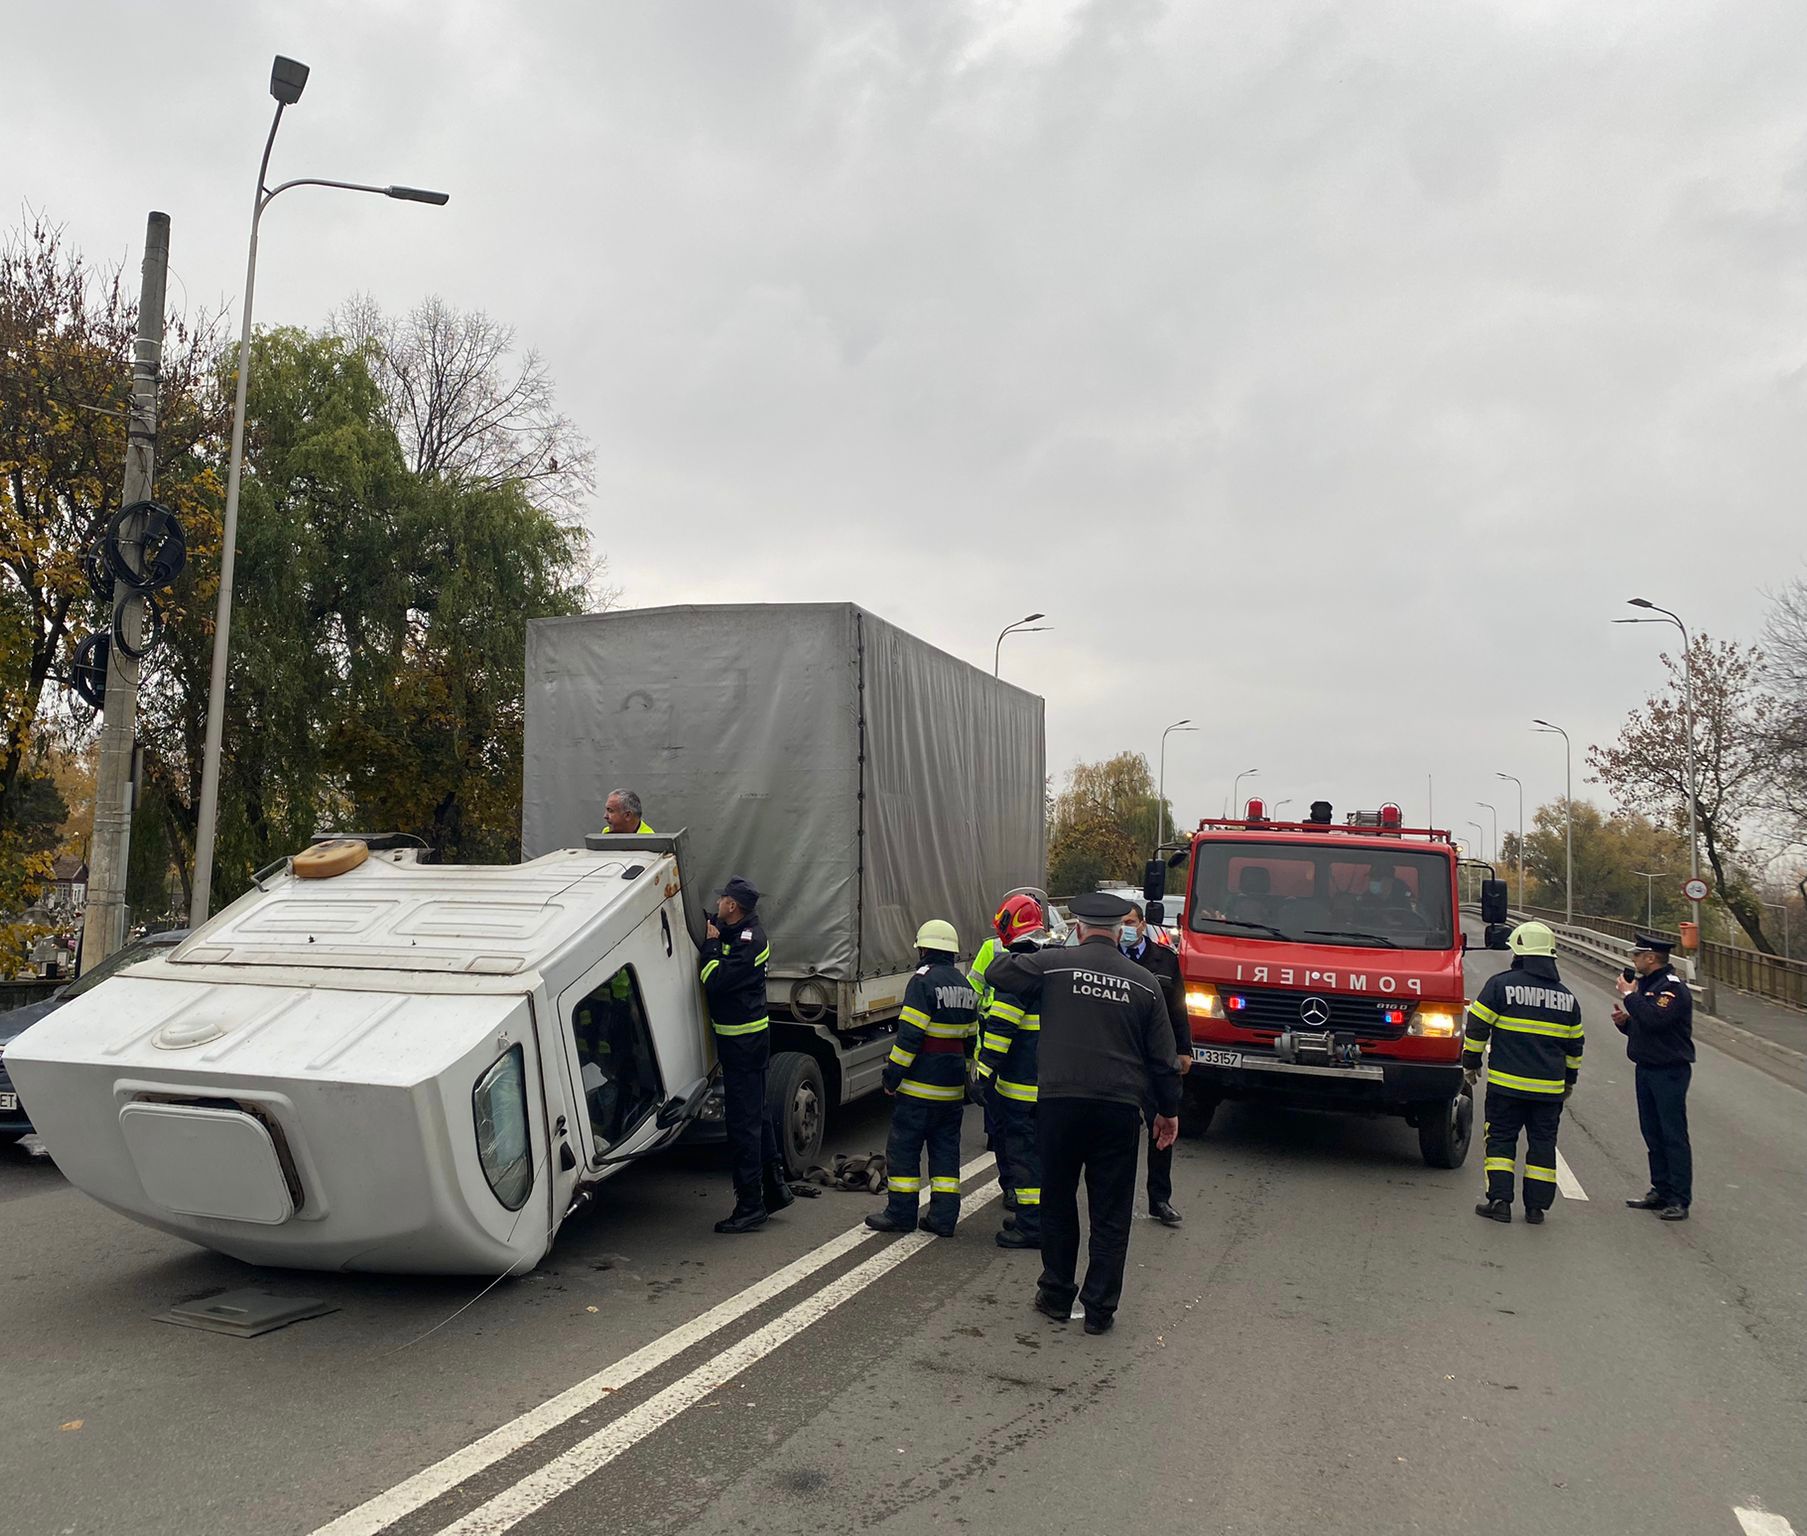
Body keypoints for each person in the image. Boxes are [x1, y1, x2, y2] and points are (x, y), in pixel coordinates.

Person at [986, 892, 1182, 1336]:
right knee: (1110, 1211)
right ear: (1120, 932)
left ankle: (1055, 1294)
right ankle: (1099, 1309)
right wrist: (1167, 1112)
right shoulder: (1143, 981)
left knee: (1057, 1201)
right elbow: (1163, 1060)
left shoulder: (1054, 964)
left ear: (1077, 927)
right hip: (1117, 1109)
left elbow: (998, 972)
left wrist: (1039, 947)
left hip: (1059, 1104)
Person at [1461, 920, 1584, 1225]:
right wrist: (1569, 1082)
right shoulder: (1567, 998)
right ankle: (1535, 1209)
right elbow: (1575, 1047)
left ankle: (1500, 1202)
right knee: (1543, 1144)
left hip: (1506, 1087)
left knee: (1501, 1140)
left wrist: (1471, 1062)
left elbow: (1476, 1026)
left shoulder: (1500, 985)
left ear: (1519, 953)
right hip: (1549, 1091)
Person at [867, 920, 979, 1238]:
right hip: (951, 1092)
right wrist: (965, 1083)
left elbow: (909, 1037)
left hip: (918, 1091)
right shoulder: (965, 985)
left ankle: (901, 1214)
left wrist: (891, 1078)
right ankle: (943, 1219)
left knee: (904, 1151)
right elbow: (971, 1040)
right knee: (945, 1154)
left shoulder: (922, 982)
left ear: (925, 948)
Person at [700, 876, 791, 1234]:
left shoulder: (752, 942)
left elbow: (715, 979)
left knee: (743, 1124)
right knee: (759, 1115)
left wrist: (709, 947)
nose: (719, 903)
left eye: (723, 899)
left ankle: (750, 1205)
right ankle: (775, 1190)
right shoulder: (737, 932)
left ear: (733, 905)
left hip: (744, 1044)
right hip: (743, 1043)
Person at [976, 897, 1049, 1249]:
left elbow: (1001, 1031)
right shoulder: (1052, 965)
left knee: (1022, 1155)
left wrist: (981, 1073)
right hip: (1050, 1083)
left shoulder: (1016, 972)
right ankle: (1039, 1219)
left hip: (1020, 1087)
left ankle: (1030, 1226)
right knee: (1044, 1155)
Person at [1120, 900, 1193, 1226]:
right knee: (1118, 1132)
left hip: (1156, 1058)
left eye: (1131, 921)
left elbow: (1179, 1008)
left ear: (1142, 924)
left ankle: (1159, 1199)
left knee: (1162, 1127)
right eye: (1121, 922)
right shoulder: (1110, 959)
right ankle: (1116, 1198)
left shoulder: (1165, 959)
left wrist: (1184, 1049)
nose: (1126, 928)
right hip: (1120, 1057)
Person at [1614, 931, 1696, 1221]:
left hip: (1669, 1070)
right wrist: (1626, 1023)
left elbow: (1656, 1019)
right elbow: (1645, 1025)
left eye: (1637, 955)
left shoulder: (1671, 988)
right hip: (1646, 1066)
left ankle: (1679, 1198)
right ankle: (1660, 1190)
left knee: (1672, 1134)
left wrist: (1628, 995)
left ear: (1651, 958)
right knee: (1652, 1132)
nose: (1633, 959)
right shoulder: (1649, 986)